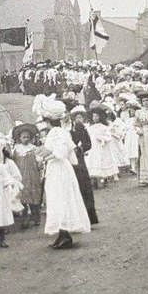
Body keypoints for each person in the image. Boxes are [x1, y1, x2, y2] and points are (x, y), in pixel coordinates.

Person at [33, 95, 91, 249]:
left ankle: (65, 235)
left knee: (60, 199)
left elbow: (60, 152)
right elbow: (70, 153)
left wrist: (42, 155)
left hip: (59, 169)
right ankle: (61, 234)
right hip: (60, 168)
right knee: (58, 199)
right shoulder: (62, 132)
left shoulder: (56, 133)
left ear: (48, 121)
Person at [69, 106, 99, 225]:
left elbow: (88, 144)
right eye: (77, 118)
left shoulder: (83, 130)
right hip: (71, 160)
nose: (79, 120)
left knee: (84, 186)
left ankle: (89, 216)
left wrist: (81, 148)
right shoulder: (69, 130)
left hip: (80, 160)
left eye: (80, 117)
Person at [11, 124, 42, 229]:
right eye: (24, 137)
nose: (26, 139)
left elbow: (39, 161)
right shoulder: (17, 149)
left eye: (28, 137)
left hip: (33, 175)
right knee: (23, 197)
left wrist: (39, 164)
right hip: (22, 175)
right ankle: (24, 219)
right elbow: (14, 162)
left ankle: (36, 217)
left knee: (33, 196)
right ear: (19, 138)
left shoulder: (34, 148)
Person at [85, 107, 119, 188]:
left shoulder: (104, 127)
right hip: (93, 148)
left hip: (101, 147)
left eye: (97, 116)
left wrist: (102, 139)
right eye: (93, 116)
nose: (95, 118)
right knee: (93, 161)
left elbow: (108, 137)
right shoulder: (90, 128)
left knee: (102, 161)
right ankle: (94, 180)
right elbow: (88, 137)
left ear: (100, 117)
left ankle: (104, 179)